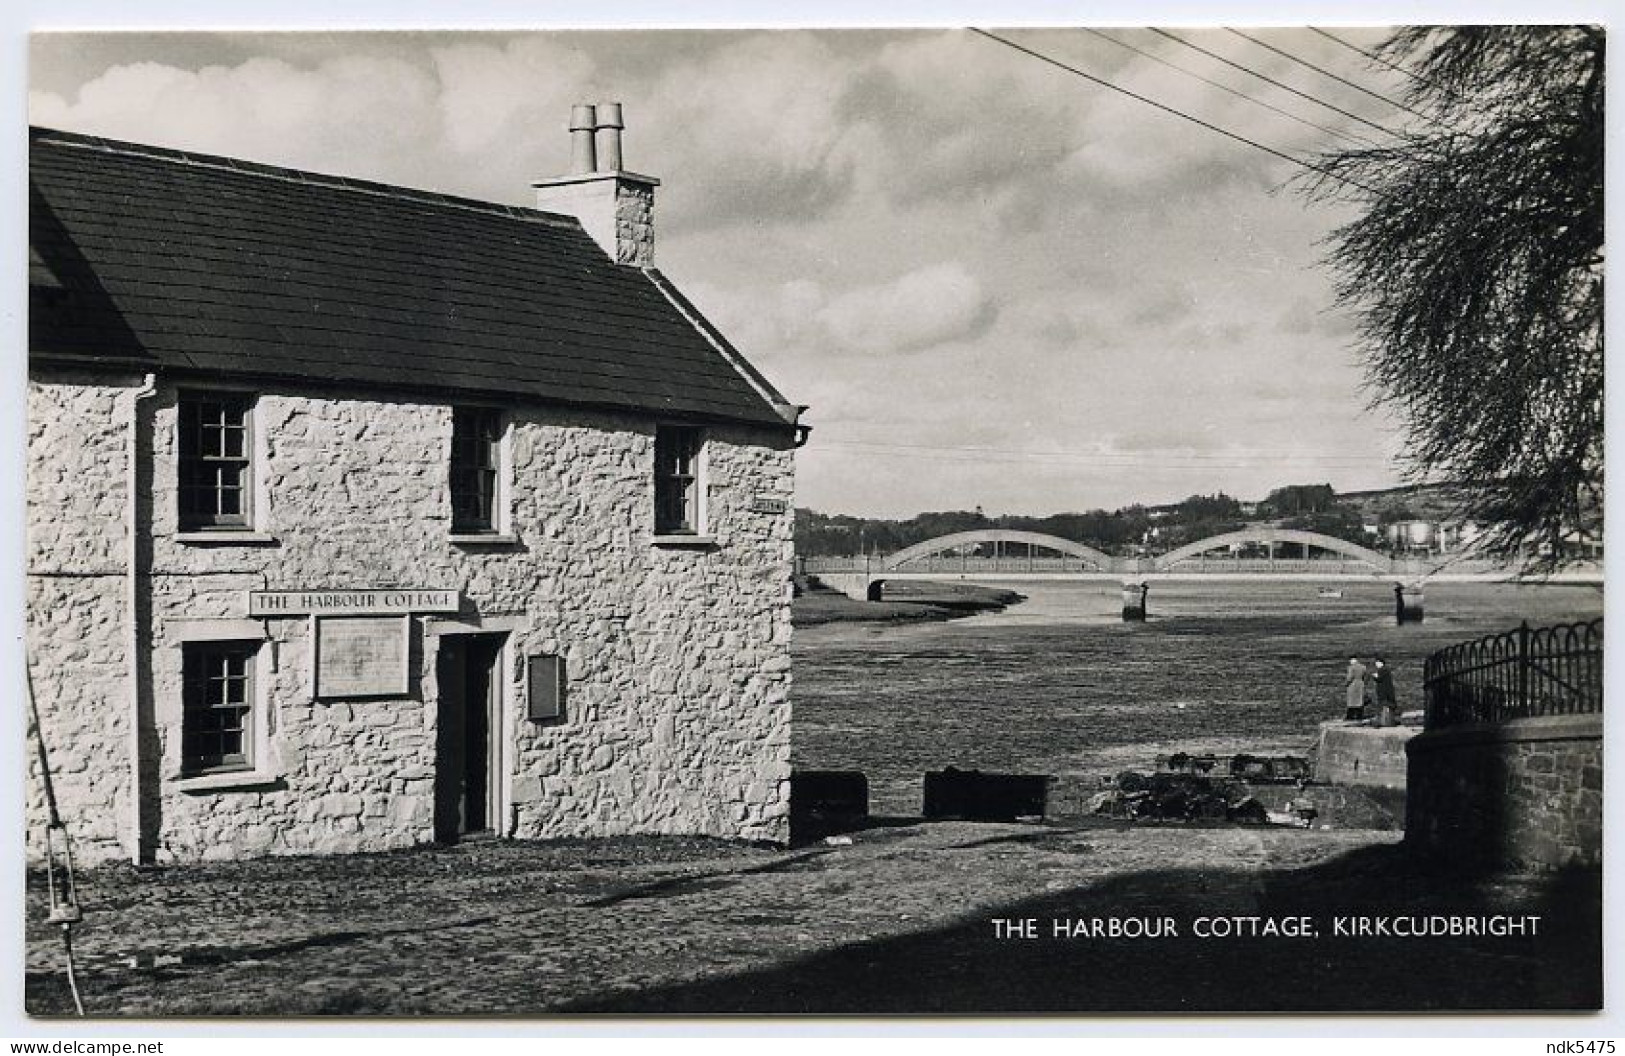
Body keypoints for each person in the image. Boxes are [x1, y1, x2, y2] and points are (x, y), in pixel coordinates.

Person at [1373, 658, 1398, 727]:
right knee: (1386, 705)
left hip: (1384, 692)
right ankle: (1386, 720)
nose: (1376, 664)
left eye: (1377, 663)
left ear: (1381, 663)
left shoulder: (1382, 670)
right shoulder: (1386, 670)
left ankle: (1384, 721)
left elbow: (1379, 679)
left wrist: (1375, 676)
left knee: (1383, 705)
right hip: (1388, 691)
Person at [1344, 656, 1368, 721]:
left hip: (1353, 685)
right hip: (1360, 684)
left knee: (1351, 702)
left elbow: (1350, 677)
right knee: (1359, 701)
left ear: (1352, 660)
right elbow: (1365, 677)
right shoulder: (1363, 667)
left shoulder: (1351, 668)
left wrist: (1346, 684)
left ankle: (1350, 716)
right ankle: (1359, 716)